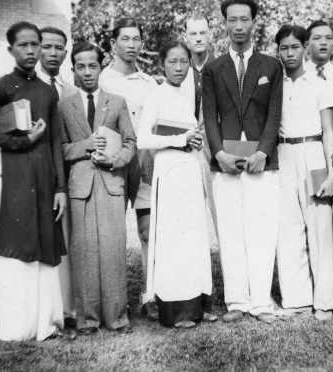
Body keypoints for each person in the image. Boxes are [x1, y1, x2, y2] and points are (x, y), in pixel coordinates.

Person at [0, 21, 74, 341]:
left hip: (45, 179)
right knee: (17, 246)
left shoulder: (46, 91)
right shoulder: (1, 87)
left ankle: (46, 325)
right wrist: (21, 141)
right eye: (23, 45)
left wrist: (60, 189)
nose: (31, 51)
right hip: (14, 177)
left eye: (36, 45)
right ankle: (18, 328)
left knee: (45, 244)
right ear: (10, 50)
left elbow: (56, 141)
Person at [202, 0, 283, 324]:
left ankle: (261, 302)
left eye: (244, 19)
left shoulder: (271, 66)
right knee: (231, 232)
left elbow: (275, 114)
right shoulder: (213, 68)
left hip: (263, 163)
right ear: (225, 24)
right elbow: (210, 114)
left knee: (261, 231)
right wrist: (219, 153)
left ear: (253, 23)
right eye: (232, 20)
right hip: (226, 163)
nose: (238, 26)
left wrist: (263, 152)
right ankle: (236, 301)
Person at [57, 42, 136, 335]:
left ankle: (117, 318)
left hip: (111, 183)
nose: (87, 72)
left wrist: (113, 159)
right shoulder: (64, 106)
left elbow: (130, 142)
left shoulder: (116, 102)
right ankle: (88, 319)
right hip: (80, 187)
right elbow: (61, 149)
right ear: (73, 69)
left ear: (101, 66)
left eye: (93, 65)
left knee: (114, 249)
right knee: (84, 251)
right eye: (81, 66)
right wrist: (85, 146)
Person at [138, 41, 215, 328]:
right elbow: (144, 139)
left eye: (184, 62)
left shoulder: (191, 93)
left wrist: (192, 140)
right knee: (173, 240)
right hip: (168, 172)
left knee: (194, 236)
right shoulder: (155, 94)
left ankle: (201, 305)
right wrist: (180, 139)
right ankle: (177, 311)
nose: (179, 67)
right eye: (173, 62)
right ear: (163, 64)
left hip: (190, 171)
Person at [274, 25, 333, 321]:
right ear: (278, 51)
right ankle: (297, 299)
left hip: (314, 155)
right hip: (284, 154)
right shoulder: (275, 84)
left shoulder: (319, 84)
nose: (289, 53)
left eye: (295, 47)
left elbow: (328, 130)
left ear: (304, 48)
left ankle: (324, 300)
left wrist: (331, 170)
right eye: (284, 48)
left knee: (320, 229)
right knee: (288, 228)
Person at [98, 18, 159, 320]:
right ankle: (111, 300)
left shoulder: (150, 84)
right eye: (125, 39)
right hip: (112, 165)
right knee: (110, 232)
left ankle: (149, 295)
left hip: (145, 163)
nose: (132, 45)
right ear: (113, 44)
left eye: (136, 39)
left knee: (148, 231)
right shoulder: (102, 80)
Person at [37, 26, 79, 329]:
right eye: (47, 46)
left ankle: (68, 310)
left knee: (66, 242)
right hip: (37, 173)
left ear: (66, 52)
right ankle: (43, 309)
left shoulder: (71, 90)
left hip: (67, 175)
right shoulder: (28, 86)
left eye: (59, 48)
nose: (53, 53)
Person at [184, 14, 219, 238]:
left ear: (210, 35)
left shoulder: (223, 66)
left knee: (222, 218)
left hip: (216, 152)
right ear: (185, 37)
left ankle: (231, 273)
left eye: (202, 33)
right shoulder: (178, 70)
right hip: (186, 151)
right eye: (193, 33)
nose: (198, 38)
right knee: (189, 220)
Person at [304, 20, 333, 100]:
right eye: (317, 38)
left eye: (328, 38)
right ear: (306, 44)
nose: (323, 42)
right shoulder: (295, 76)